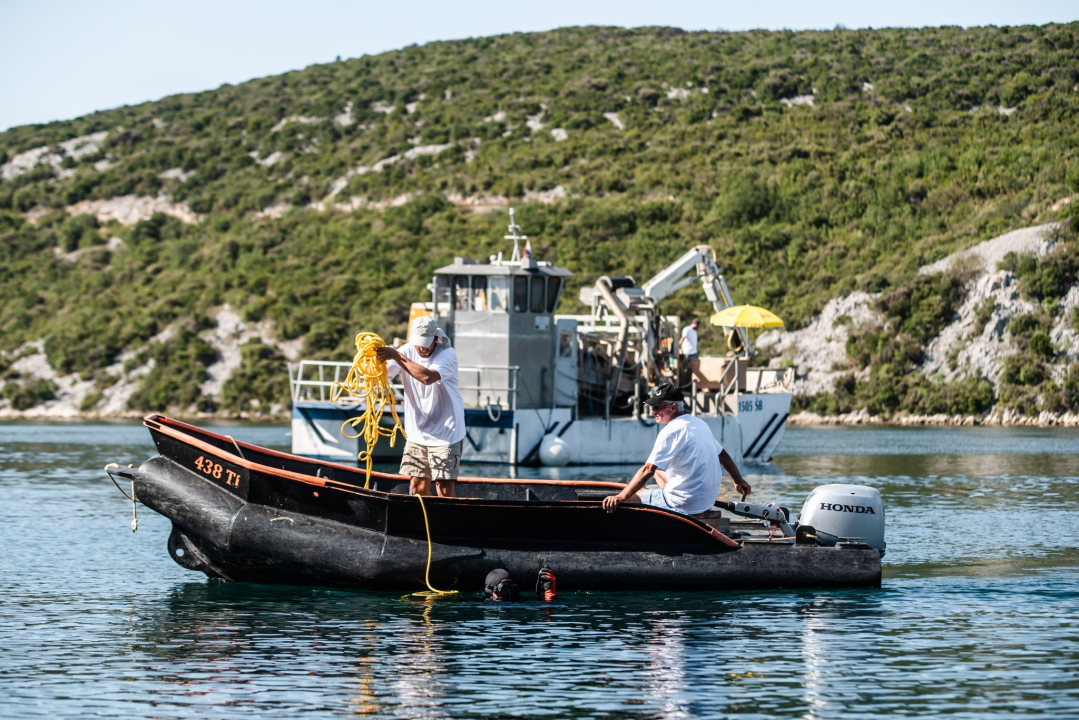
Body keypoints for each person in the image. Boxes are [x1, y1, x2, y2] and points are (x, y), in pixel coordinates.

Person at [602, 383, 751, 515]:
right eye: (652, 407)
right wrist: (738, 480)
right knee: (659, 471)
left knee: (628, 498)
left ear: (673, 407)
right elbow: (723, 456)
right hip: (706, 502)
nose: (653, 411)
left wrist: (620, 497)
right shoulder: (699, 423)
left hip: (685, 504)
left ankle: (668, 504)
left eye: (657, 407)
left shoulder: (670, 431)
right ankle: (666, 498)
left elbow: (647, 470)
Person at [375, 316, 466, 498]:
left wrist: (397, 356)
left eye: (426, 344)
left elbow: (427, 377)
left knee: (444, 489)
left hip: (446, 432)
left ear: (435, 338)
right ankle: (426, 516)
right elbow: (384, 375)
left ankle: (447, 517)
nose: (422, 349)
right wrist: (371, 363)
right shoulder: (406, 350)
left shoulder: (447, 354)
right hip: (417, 432)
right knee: (417, 488)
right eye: (419, 344)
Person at [680, 318, 702, 385]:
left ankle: (692, 384)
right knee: (686, 369)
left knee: (694, 369)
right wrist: (678, 347)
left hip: (694, 352)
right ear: (695, 324)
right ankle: (685, 384)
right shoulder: (687, 329)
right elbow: (682, 338)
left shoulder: (695, 332)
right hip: (687, 352)